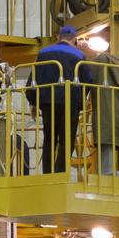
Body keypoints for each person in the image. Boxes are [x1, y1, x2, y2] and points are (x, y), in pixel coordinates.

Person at [26, 25, 94, 175]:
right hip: (70, 103)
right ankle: (60, 172)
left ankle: (48, 173)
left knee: (49, 138)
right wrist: (80, 102)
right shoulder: (79, 55)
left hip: (47, 103)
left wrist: (33, 102)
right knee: (66, 138)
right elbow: (88, 80)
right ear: (74, 40)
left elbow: (32, 80)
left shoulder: (43, 52)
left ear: (58, 38)